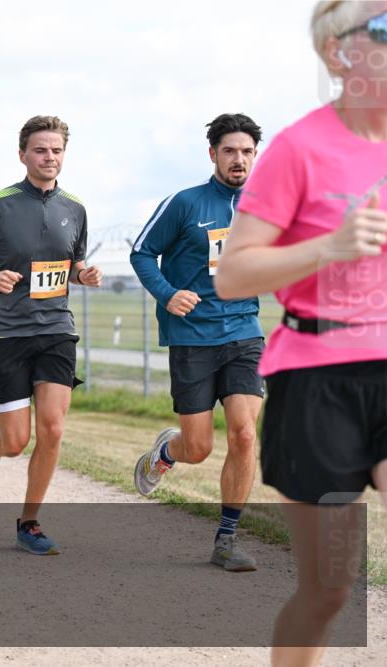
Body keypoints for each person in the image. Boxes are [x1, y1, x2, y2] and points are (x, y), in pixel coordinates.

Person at [215, 2, 387, 663]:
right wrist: (330, 245)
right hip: (318, 375)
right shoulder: (299, 147)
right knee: (329, 588)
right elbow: (234, 274)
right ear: (338, 52)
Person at [0, 115, 102, 555]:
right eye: (41, 150)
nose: (50, 157)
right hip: (6, 332)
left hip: (56, 328)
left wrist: (84, 274)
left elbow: (71, 264)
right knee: (17, 440)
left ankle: (30, 522)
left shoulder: (74, 208)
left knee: (53, 429)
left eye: (56, 150)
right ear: (23, 154)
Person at [129, 113, 265, 572]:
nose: (239, 159)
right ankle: (169, 451)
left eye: (247, 151)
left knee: (245, 434)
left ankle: (226, 540)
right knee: (200, 447)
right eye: (230, 150)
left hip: (244, 331)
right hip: (192, 337)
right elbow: (141, 252)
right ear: (213, 154)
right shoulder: (184, 203)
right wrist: (168, 295)